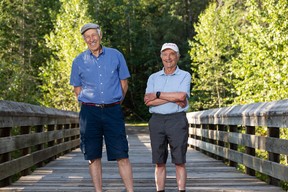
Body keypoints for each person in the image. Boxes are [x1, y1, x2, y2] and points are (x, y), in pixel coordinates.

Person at [70, 23, 134, 192]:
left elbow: (124, 84)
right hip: (89, 113)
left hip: (113, 111)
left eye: (93, 35)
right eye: (87, 37)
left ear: (100, 35)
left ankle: (130, 190)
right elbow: (77, 89)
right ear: (84, 40)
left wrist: (114, 102)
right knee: (93, 156)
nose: (91, 39)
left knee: (122, 154)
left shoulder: (116, 55)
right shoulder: (78, 61)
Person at [144, 43, 191, 192]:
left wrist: (157, 95)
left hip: (177, 120)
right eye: (165, 54)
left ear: (177, 56)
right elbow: (147, 101)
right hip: (157, 121)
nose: (168, 58)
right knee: (159, 162)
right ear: (161, 56)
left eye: (172, 54)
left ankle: (181, 190)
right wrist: (174, 97)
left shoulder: (185, 75)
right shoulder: (153, 77)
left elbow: (182, 96)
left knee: (179, 161)